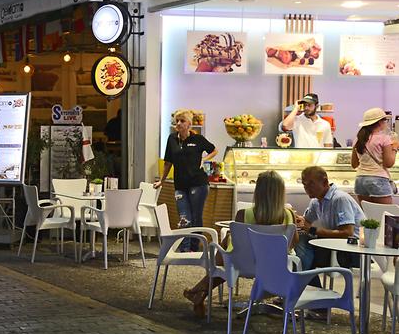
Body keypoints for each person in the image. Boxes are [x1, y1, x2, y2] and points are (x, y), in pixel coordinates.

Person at [182, 170, 297, 317]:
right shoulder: (289, 215)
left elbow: (238, 244)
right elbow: (293, 243)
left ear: (258, 192)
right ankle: (199, 291)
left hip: (246, 265)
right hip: (276, 265)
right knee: (227, 246)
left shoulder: (243, 214)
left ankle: (199, 291)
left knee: (226, 250)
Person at [154, 110, 217, 249]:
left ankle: (194, 247)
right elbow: (168, 162)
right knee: (184, 217)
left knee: (196, 217)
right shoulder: (172, 139)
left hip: (198, 184)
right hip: (180, 185)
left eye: (182, 121)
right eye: (177, 121)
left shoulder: (198, 139)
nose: (178, 123)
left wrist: (204, 158)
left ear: (189, 124)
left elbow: (214, 150)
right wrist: (162, 181)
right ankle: (184, 248)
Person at [294, 166, 364, 283]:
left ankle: (303, 283)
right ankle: (306, 284)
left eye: (311, 184)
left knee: (302, 251)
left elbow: (347, 233)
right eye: (304, 185)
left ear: (325, 182)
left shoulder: (340, 199)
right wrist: (295, 218)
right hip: (333, 245)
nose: (307, 188)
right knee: (298, 242)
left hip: (352, 250)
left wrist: (312, 230)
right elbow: (306, 221)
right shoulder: (316, 201)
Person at [351, 107, 397, 205]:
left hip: (360, 180)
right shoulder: (384, 139)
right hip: (378, 179)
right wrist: (395, 148)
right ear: (380, 122)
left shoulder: (358, 139)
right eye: (385, 120)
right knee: (384, 215)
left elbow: (354, 164)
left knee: (367, 215)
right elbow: (389, 163)